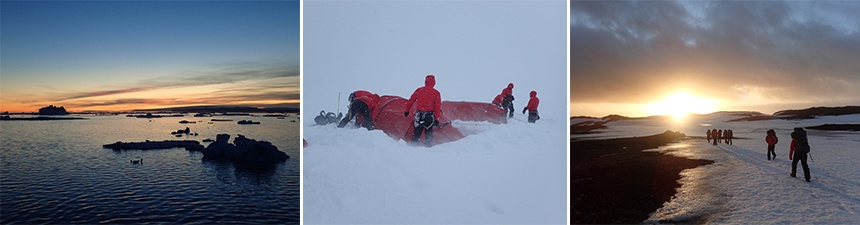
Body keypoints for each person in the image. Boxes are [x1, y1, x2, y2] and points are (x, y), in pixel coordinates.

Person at [404, 74, 443, 147]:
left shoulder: (419, 90)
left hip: (419, 115)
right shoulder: (436, 93)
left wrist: (407, 110)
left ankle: (413, 148)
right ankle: (428, 149)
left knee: (416, 133)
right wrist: (436, 118)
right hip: (429, 116)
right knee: (429, 134)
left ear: (425, 82)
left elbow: (411, 101)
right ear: (434, 83)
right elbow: (437, 107)